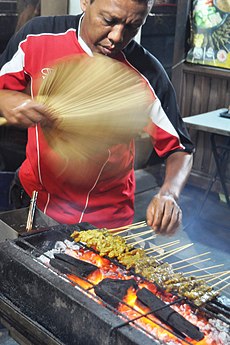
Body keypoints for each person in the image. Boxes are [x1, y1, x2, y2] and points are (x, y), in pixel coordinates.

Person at [0, 0, 194, 234]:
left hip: (104, 220)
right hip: (33, 202)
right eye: (109, 20)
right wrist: (5, 100)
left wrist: (169, 193)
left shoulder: (147, 73)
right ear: (85, 2)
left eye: (133, 26)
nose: (117, 36)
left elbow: (180, 148)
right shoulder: (37, 36)